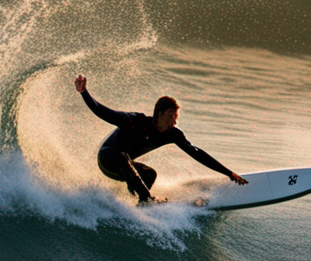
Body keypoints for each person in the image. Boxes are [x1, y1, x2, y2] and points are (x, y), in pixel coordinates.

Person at [75, 74, 248, 204]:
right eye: (171, 115)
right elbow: (103, 112)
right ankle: (148, 200)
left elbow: (197, 153)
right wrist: (84, 92)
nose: (175, 120)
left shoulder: (172, 134)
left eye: (176, 116)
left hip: (125, 166)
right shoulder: (135, 121)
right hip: (108, 159)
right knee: (122, 157)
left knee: (150, 174)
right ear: (160, 114)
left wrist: (229, 173)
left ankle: (141, 205)